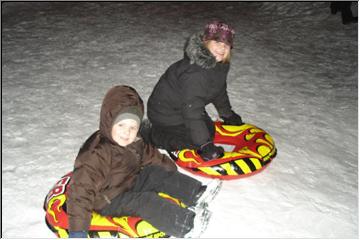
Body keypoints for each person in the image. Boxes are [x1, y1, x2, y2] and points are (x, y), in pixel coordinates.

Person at [67, 85, 220, 238]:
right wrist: (78, 231)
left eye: (132, 127)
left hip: (129, 181)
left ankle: (196, 193)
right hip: (108, 199)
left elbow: (150, 155)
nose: (127, 132)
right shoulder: (97, 153)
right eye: (121, 125)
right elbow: (81, 191)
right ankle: (187, 225)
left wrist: (170, 172)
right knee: (145, 201)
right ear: (109, 121)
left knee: (153, 173)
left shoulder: (134, 140)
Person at [145, 20, 244, 161]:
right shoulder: (195, 73)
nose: (222, 48)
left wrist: (228, 115)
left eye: (226, 45)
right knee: (193, 143)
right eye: (217, 42)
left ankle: (196, 137)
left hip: (185, 106)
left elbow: (219, 91)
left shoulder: (219, 66)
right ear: (206, 42)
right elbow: (192, 110)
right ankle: (153, 135)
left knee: (209, 131)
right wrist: (204, 145)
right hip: (165, 113)